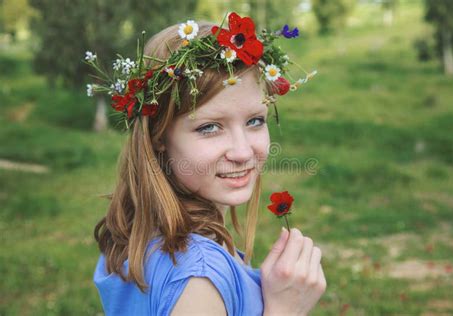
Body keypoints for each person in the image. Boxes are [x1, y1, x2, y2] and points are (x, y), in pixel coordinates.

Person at [91, 13, 326, 316]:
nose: (242, 152)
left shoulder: (136, 233)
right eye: (209, 127)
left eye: (255, 121)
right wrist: (285, 310)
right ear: (158, 136)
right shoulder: (198, 278)